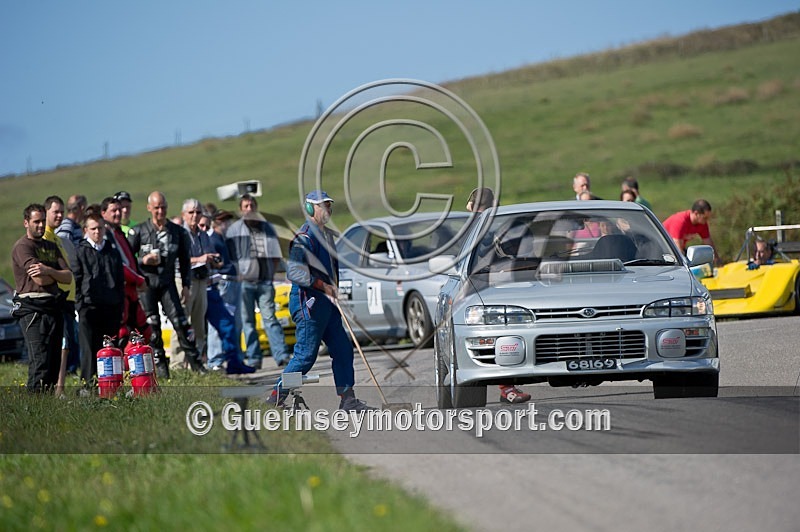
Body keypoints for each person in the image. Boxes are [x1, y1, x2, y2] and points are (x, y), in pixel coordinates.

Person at [268, 190, 372, 411]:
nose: (327, 210)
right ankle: (276, 396)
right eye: (322, 206)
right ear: (309, 208)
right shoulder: (303, 238)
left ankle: (347, 399)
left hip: (327, 304)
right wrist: (323, 286)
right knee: (305, 356)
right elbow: (295, 274)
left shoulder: (328, 236)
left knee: (343, 349)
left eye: (329, 205)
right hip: (308, 304)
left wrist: (332, 288)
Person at [128, 191, 206, 377]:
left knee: (181, 324)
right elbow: (128, 260)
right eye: (156, 208)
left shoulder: (177, 232)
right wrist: (143, 261)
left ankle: (197, 365)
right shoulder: (139, 231)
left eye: (163, 207)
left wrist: (186, 285)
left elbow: (185, 261)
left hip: (168, 283)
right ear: (149, 208)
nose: (160, 211)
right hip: (146, 285)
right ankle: (161, 369)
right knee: (152, 327)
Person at [466, 187, 531, 404]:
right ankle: (507, 388)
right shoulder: (480, 226)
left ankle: (507, 388)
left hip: (503, 280)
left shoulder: (489, 223)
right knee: (500, 336)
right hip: (485, 284)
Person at [11, 204, 72, 393]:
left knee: (54, 360)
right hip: (32, 309)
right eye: (36, 221)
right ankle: (35, 403)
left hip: (53, 306)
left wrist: (48, 270)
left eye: (42, 221)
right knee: (40, 359)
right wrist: (54, 274)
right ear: (26, 223)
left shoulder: (51, 246)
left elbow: (68, 276)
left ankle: (46, 406)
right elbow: (39, 279)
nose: (40, 225)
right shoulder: (23, 247)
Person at [226, 193, 290, 369]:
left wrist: (270, 274)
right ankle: (254, 358)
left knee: (270, 318)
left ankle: (282, 355)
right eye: (245, 206)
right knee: (248, 322)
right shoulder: (233, 230)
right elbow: (229, 257)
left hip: (264, 282)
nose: (249, 209)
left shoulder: (267, 228)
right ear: (240, 209)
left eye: (252, 206)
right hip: (244, 283)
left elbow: (276, 255)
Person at [73, 213, 124, 390]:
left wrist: (120, 306)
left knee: (110, 347)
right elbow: (76, 281)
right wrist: (79, 306)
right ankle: (88, 385)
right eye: (93, 228)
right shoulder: (80, 251)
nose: (97, 232)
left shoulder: (112, 252)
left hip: (111, 307)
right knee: (88, 349)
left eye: (100, 228)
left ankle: (111, 384)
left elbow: (119, 281)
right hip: (88, 306)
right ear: (85, 230)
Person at [172, 199, 219, 369]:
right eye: (191, 212)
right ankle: (177, 364)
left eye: (198, 212)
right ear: (184, 214)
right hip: (184, 280)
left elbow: (207, 254)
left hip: (201, 280)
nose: (194, 216)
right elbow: (177, 261)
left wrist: (212, 259)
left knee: (199, 324)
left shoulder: (203, 234)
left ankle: (196, 362)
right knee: (182, 321)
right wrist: (200, 259)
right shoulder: (178, 234)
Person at [101, 196, 151, 347]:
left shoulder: (119, 233)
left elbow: (129, 261)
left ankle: (131, 368)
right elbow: (118, 265)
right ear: (104, 213)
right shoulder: (105, 235)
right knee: (122, 335)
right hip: (120, 291)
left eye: (119, 210)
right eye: (113, 210)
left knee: (143, 332)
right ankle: (121, 368)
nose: (118, 213)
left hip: (131, 292)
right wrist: (138, 279)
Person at [43, 196, 80, 392]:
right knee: (62, 343)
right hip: (57, 298)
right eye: (55, 212)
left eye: (61, 212)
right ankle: (57, 388)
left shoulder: (59, 238)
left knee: (68, 343)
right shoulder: (44, 238)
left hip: (69, 298)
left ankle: (59, 387)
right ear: (45, 212)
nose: (59, 215)